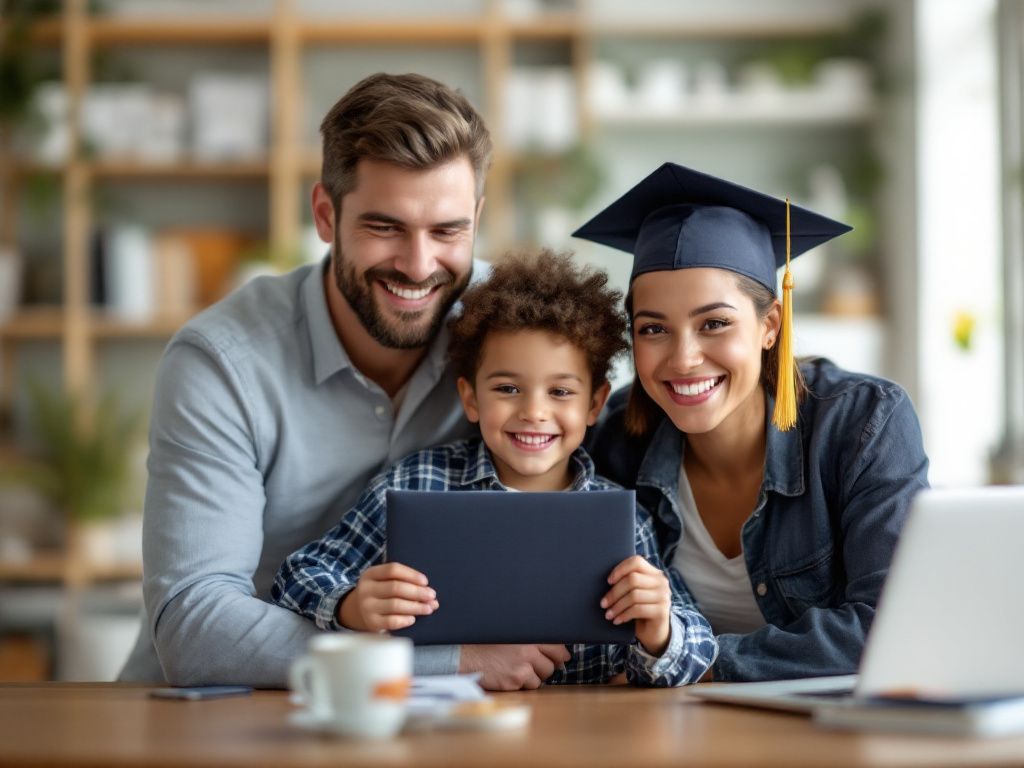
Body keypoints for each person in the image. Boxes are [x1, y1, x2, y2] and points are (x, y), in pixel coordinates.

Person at [120, 72, 499, 686]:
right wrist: (448, 665)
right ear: (325, 214)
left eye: (448, 230)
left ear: (477, 218)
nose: (419, 264)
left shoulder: (515, 333)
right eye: (385, 227)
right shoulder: (221, 364)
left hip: (443, 720)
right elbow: (192, 626)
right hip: (221, 717)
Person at [272, 252, 717, 689]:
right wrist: (351, 605)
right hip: (445, 731)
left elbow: (698, 644)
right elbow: (298, 575)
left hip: (583, 736)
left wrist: (659, 629)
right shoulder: (416, 485)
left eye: (561, 391)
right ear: (470, 398)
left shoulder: (624, 522)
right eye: (507, 388)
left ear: (595, 404)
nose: (534, 412)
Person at [578, 162, 930, 682]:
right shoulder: (613, 440)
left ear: (770, 326)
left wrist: (699, 662)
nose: (683, 358)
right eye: (654, 329)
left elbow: (893, 626)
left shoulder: (863, 425)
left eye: (714, 324)